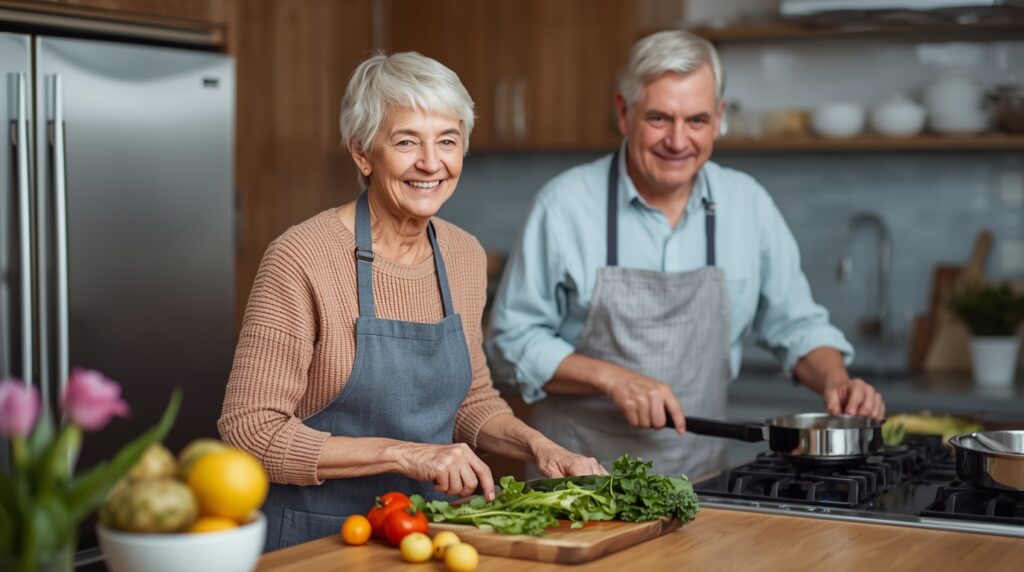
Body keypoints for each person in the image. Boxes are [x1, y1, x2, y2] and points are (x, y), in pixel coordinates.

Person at [218, 51, 603, 552]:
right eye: (406, 141)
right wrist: (407, 455)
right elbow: (249, 430)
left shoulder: (463, 254)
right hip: (316, 541)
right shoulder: (301, 257)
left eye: (448, 140)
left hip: (428, 532)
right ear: (361, 153)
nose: (431, 162)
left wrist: (542, 448)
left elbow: (471, 401)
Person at [486, 31, 886, 479]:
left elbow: (795, 324)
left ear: (719, 118)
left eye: (696, 120)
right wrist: (612, 378)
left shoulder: (747, 204)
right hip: (577, 482)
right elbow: (510, 342)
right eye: (659, 118)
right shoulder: (563, 206)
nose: (678, 141)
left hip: (700, 485)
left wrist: (836, 380)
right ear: (624, 112)